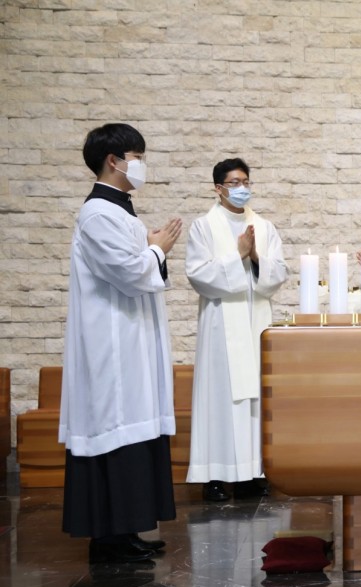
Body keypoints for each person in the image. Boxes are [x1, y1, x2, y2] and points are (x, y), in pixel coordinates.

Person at [60, 123, 183, 564]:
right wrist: (158, 248)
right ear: (113, 160)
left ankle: (125, 530)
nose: (142, 165)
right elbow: (130, 273)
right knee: (117, 428)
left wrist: (150, 246)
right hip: (111, 346)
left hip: (130, 340)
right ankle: (108, 539)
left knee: (135, 429)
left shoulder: (121, 213)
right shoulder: (98, 214)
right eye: (137, 157)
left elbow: (135, 266)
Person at [185, 158, 288, 502]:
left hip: (256, 324)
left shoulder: (264, 227)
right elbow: (199, 276)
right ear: (219, 188)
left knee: (255, 399)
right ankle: (214, 476)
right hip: (220, 327)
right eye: (234, 183)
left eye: (245, 181)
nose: (242, 188)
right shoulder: (203, 227)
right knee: (220, 398)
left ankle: (251, 474)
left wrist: (256, 257)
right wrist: (237, 255)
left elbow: (278, 273)